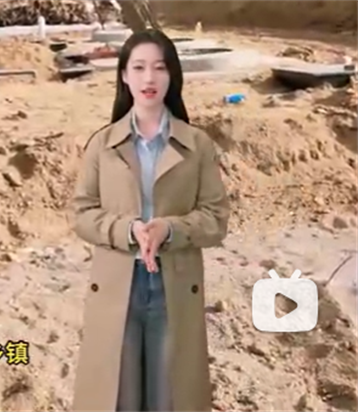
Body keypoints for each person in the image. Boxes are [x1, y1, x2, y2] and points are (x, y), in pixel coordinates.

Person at [70, 29, 229, 412]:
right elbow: (82, 213)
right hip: (116, 288)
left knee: (169, 398)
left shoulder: (197, 145)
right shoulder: (102, 144)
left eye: (159, 67)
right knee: (117, 397)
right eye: (139, 67)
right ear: (124, 76)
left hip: (173, 290)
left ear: (172, 75)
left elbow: (215, 218)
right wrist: (128, 230)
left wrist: (170, 229)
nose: (149, 78)